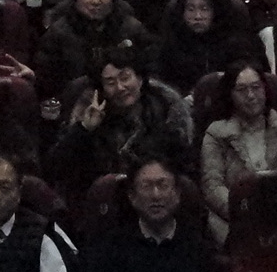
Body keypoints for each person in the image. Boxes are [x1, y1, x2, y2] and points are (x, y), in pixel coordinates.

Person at [81, 157, 221, 272]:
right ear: (132, 196)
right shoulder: (111, 248)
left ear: (177, 194)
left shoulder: (200, 248)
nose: (156, 195)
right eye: (146, 186)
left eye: (163, 185)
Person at [46, 46, 196, 201]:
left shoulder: (165, 110)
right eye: (110, 83)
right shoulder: (89, 113)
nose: (120, 87)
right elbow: (57, 168)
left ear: (139, 79)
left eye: (125, 78)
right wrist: (84, 129)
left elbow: (183, 165)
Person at [197, 60, 277, 241]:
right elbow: (213, 187)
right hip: (234, 221)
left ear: (265, 90)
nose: (250, 96)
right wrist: (245, 213)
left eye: (256, 88)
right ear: (230, 94)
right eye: (241, 90)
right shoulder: (216, 133)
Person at [35, 0, 155, 106]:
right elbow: (47, 81)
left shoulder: (131, 28)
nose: (96, 1)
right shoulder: (58, 33)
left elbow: (150, 68)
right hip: (76, 103)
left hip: (127, 100)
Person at [154, 0, 256, 92]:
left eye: (204, 9)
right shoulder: (172, 44)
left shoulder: (237, 43)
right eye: (190, 9)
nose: (197, 16)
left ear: (215, 11)